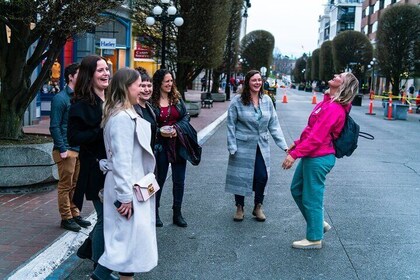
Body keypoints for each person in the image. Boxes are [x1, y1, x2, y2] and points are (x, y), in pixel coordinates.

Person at [90, 68, 158, 280]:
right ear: (126, 87)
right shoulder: (121, 117)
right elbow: (121, 161)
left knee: (129, 244)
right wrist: (125, 198)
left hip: (132, 186)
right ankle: (98, 277)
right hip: (128, 189)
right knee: (123, 243)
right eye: (138, 84)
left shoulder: (125, 113)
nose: (142, 88)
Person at [282, 72, 359, 249]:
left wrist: (294, 155)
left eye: (340, 76)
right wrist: (297, 145)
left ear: (343, 85)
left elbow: (317, 137)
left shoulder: (333, 108)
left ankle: (314, 238)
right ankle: (318, 223)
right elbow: (312, 130)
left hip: (319, 157)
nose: (335, 75)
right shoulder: (328, 103)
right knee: (297, 190)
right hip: (313, 154)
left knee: (312, 198)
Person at [225, 70, 288, 222]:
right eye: (254, 80)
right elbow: (231, 124)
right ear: (247, 82)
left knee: (262, 176)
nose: (257, 83)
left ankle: (258, 206)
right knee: (241, 175)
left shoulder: (267, 100)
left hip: (261, 144)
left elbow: (274, 125)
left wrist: (284, 146)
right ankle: (239, 207)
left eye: (259, 80)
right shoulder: (238, 101)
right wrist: (232, 145)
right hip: (242, 144)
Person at [68, 55, 110, 268]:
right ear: (89, 75)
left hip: (113, 168)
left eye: (107, 69)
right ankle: (99, 267)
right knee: (105, 218)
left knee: (110, 217)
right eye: (100, 70)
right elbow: (73, 138)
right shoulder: (80, 104)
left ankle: (88, 248)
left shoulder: (111, 99)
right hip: (95, 169)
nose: (106, 73)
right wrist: (99, 129)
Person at [151, 69, 200, 228]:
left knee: (179, 180)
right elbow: (149, 124)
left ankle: (177, 213)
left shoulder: (177, 98)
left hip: (178, 143)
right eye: (166, 81)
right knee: (158, 180)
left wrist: (176, 128)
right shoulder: (152, 100)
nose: (170, 84)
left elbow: (186, 116)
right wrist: (160, 131)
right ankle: (154, 212)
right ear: (159, 82)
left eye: (171, 81)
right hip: (160, 146)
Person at [49, 62, 91, 232]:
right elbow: (54, 126)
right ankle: (66, 217)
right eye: (79, 74)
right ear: (71, 77)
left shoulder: (80, 97)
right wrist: (62, 148)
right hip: (66, 149)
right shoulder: (60, 98)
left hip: (79, 148)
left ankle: (74, 213)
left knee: (75, 185)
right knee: (65, 186)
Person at [133, 67, 157, 151]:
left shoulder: (150, 107)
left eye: (149, 86)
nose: (147, 89)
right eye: (143, 86)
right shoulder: (131, 109)